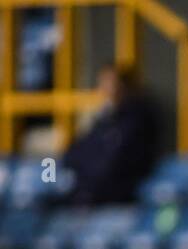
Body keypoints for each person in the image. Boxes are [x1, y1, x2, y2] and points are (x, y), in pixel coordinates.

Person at [60, 64, 159, 207]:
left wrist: (85, 171)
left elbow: (113, 163)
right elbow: (73, 153)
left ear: (125, 87)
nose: (105, 90)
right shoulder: (104, 118)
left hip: (120, 198)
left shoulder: (137, 119)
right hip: (90, 194)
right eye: (102, 83)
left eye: (110, 84)